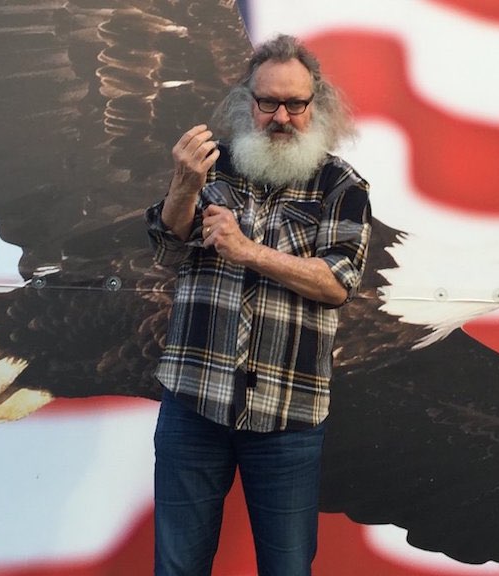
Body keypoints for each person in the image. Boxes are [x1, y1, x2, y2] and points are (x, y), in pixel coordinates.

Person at [145, 34, 372, 575]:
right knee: (177, 566)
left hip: (289, 415)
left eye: (295, 103)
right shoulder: (210, 167)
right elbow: (166, 249)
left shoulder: (342, 185)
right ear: (246, 102)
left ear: (317, 105)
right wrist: (183, 187)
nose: (281, 117)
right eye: (268, 102)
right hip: (194, 403)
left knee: (288, 568)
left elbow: (337, 283)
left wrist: (247, 250)